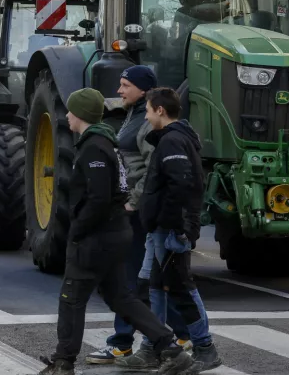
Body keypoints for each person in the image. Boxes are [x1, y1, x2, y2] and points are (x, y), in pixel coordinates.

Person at [38, 88, 194, 375]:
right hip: (114, 233)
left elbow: (98, 197)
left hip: (97, 236)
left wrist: (78, 230)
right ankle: (169, 348)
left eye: (71, 111)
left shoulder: (94, 147)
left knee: (71, 298)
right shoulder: (104, 143)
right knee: (121, 297)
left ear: (81, 114)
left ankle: (63, 363)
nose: (68, 116)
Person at [86, 66, 193, 365]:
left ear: (142, 90)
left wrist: (132, 202)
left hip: (137, 212)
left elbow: (150, 168)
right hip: (134, 209)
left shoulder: (145, 124)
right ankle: (182, 334)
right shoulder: (133, 116)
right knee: (148, 281)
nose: (119, 91)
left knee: (128, 280)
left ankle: (122, 343)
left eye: (125, 85)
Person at [118, 87, 221, 372]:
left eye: (149, 111)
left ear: (160, 110)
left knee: (179, 287)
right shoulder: (172, 139)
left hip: (168, 230)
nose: (147, 117)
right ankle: (153, 347)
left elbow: (181, 186)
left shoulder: (172, 142)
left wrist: (176, 226)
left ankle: (205, 347)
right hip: (161, 229)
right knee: (153, 288)